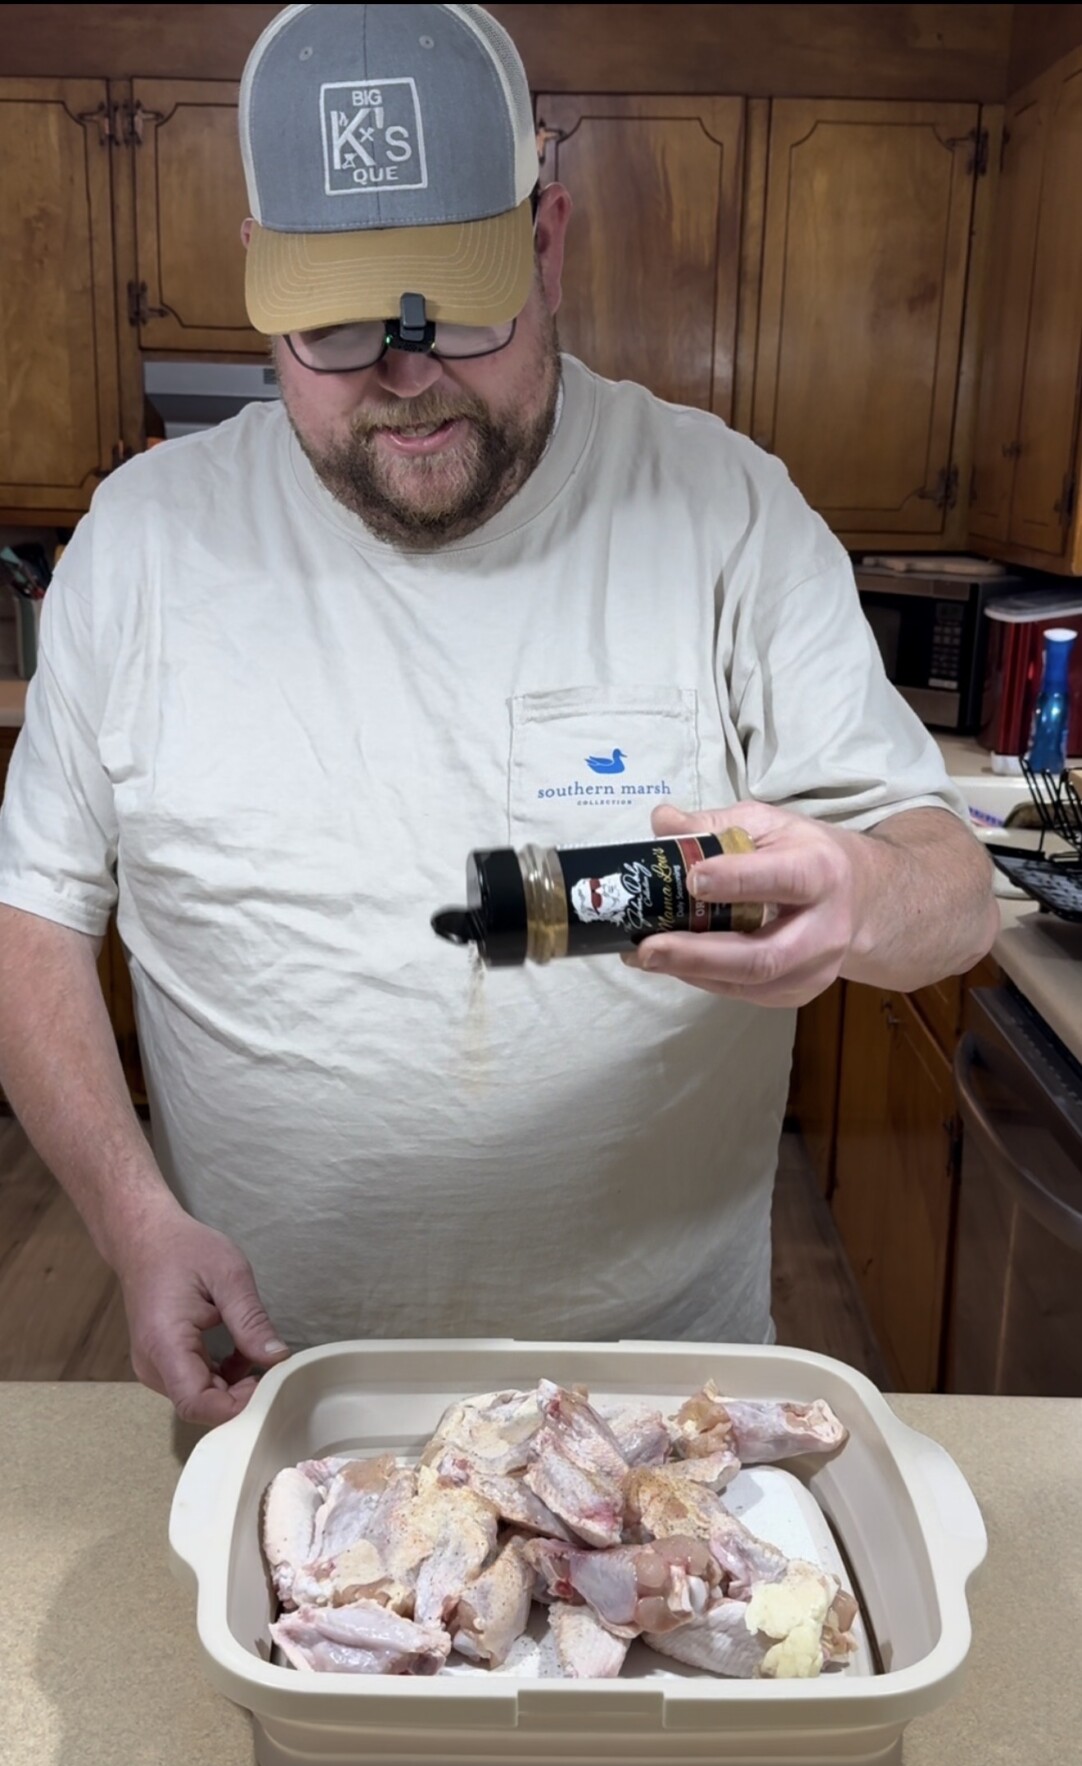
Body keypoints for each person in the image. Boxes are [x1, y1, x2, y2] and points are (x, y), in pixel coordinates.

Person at [0, 2, 997, 1427]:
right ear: (259, 281)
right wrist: (129, 1219)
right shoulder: (139, 545)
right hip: (275, 1385)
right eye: (339, 326)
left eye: (453, 310)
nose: (404, 377)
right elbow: (28, 911)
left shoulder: (724, 513)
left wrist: (866, 896)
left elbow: (952, 896)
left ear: (546, 239)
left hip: (661, 1396)